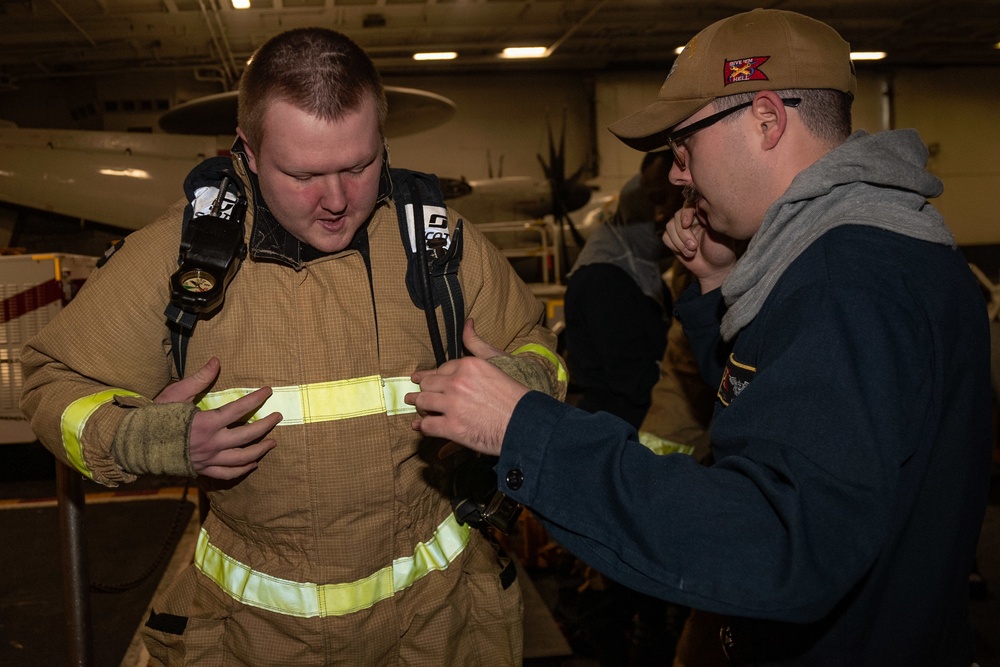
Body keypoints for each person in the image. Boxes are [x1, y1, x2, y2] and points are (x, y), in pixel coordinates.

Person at [405, 8, 993, 665]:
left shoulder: (846, 281)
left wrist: (524, 429)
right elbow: (791, 426)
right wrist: (716, 292)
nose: (678, 173)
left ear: (766, 121)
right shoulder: (884, 252)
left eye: (686, 145)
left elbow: (773, 538)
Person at [19, 28, 565, 665]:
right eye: (303, 174)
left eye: (359, 166)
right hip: (253, 642)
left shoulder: (440, 245)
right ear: (248, 152)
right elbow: (49, 382)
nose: (336, 201)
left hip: (438, 633)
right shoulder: (179, 259)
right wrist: (157, 440)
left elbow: (539, 346)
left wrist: (515, 388)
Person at [563, 150, 679, 430]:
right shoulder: (604, 281)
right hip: (620, 426)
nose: (666, 221)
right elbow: (633, 377)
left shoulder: (637, 269)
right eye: (658, 210)